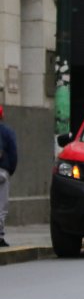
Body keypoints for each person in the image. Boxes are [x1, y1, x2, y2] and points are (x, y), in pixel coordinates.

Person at [0, 105, 18, 248]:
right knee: (1, 206)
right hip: (2, 173)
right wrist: (9, 170)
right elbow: (13, 154)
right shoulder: (7, 132)